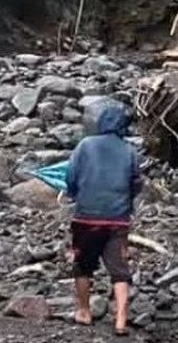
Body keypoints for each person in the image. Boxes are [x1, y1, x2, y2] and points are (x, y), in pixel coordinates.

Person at [65, 99, 140, 336]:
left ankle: (84, 311)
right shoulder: (129, 150)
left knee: (83, 266)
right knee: (119, 270)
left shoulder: (85, 145)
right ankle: (120, 321)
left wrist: (76, 194)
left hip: (86, 216)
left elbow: (71, 176)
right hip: (117, 218)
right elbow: (136, 182)